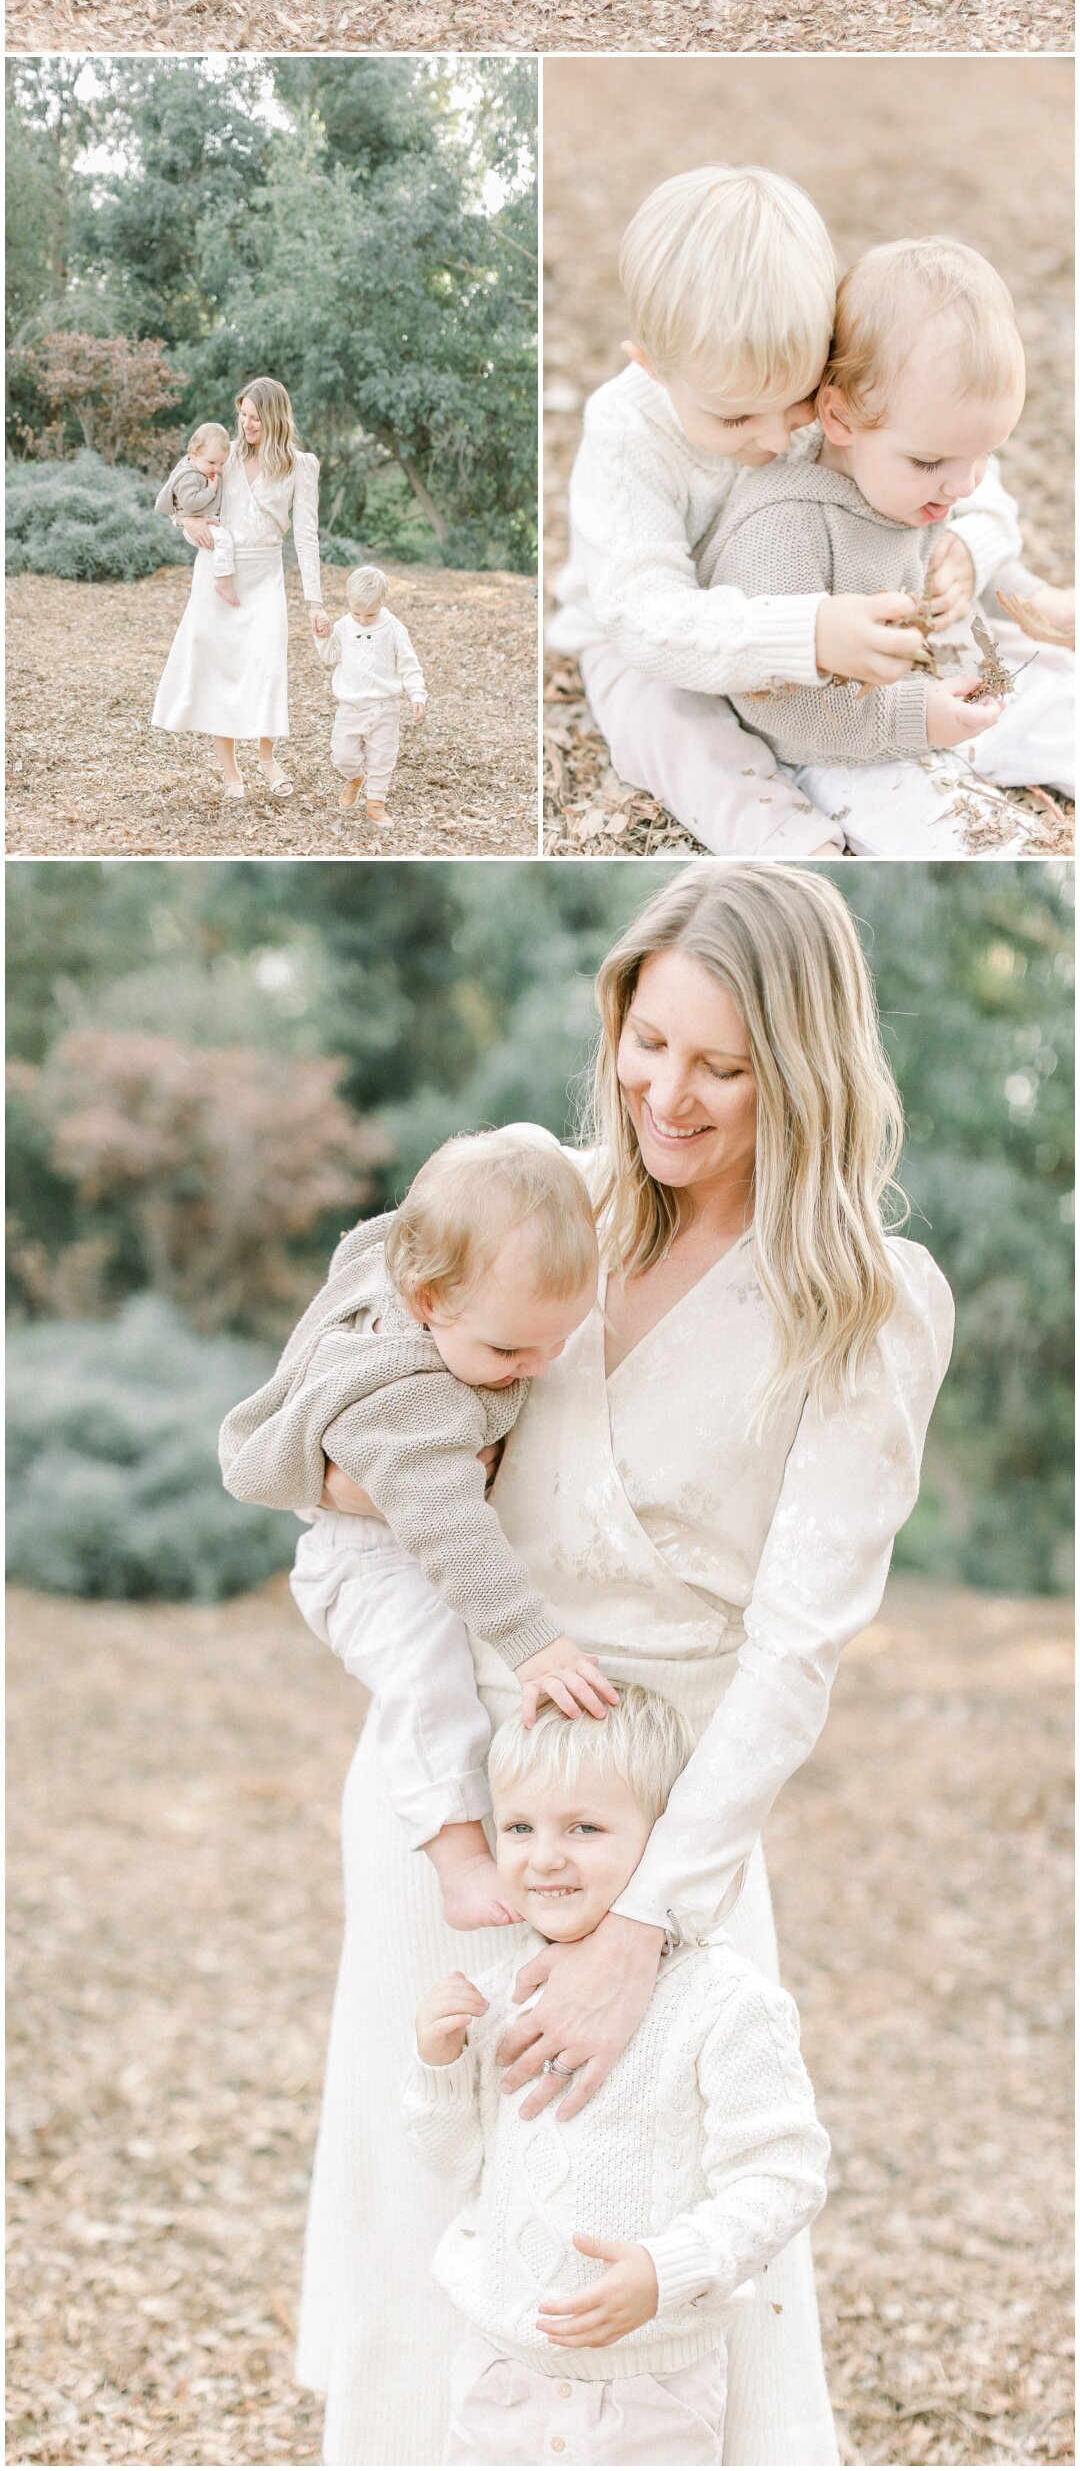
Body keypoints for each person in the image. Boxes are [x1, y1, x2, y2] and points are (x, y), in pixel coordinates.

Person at [296, 863, 954, 2468]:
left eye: (722, 1066)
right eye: (648, 1042)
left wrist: (642, 1926)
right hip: (454, 1799)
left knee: (649, 2224)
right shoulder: (531, 1202)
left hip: (673, 1835)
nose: (668, 1092)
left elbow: (800, 1654)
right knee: (433, 2183)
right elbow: (339, 1397)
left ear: (803, 1070)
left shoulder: (869, 1304)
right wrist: (332, 1469)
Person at [406, 1688, 829, 2468]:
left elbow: (784, 2174)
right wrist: (439, 2069)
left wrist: (670, 2268)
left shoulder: (725, 2003)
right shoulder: (503, 1994)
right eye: (521, 1825)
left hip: (651, 2384)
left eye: (585, 1827)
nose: (544, 1855)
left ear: (666, 1840)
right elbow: (451, 2171)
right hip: (500, 2370)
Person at [551, 162, 1022, 858]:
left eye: (799, 400)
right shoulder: (628, 435)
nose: (776, 438)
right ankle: (775, 832)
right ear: (652, 365)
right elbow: (643, 615)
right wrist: (806, 635)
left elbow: (955, 455)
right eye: (736, 415)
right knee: (668, 725)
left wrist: (973, 544)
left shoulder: (811, 376)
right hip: (655, 639)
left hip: (806, 588)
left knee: (971, 649)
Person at [219, 1127, 616, 1934]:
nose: (535, 1364)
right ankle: (457, 1855)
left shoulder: (428, 1268)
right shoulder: (404, 1391)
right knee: (427, 1673)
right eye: (509, 1346)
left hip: (392, 1540)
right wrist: (532, 1640)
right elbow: (449, 1526)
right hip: (369, 1563)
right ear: (427, 1299)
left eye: (556, 1341)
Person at [708, 236, 1075, 853]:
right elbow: (771, 700)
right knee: (953, 833)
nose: (962, 486)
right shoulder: (785, 526)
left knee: (1066, 703)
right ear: (840, 418)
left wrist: (1038, 600)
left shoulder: (912, 479)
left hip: (958, 684)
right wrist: (917, 718)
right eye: (932, 460)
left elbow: (961, 564)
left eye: (984, 455)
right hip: (845, 746)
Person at [150, 376, 324, 805]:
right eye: (243, 415)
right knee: (217, 669)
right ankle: (231, 774)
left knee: (266, 665)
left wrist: (315, 601)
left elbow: (306, 537)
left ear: (276, 418)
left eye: (255, 418)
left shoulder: (300, 465)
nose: (246, 425)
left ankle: (266, 759)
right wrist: (185, 523)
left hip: (265, 574)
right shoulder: (221, 457)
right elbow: (180, 500)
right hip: (216, 571)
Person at [313, 563, 428, 825]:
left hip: (385, 707)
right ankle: (354, 778)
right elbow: (330, 656)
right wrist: (322, 637)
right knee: (342, 755)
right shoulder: (343, 626)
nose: (363, 621)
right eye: (357, 614)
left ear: (382, 603)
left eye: (370, 615)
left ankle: (376, 802)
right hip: (350, 706)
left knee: (382, 757)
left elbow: (409, 664)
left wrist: (417, 694)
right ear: (348, 603)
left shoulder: (393, 628)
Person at [154, 422, 239, 604]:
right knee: (224, 541)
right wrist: (210, 490)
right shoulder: (190, 476)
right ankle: (223, 582)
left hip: (205, 519)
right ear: (194, 454)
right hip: (194, 523)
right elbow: (190, 504)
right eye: (211, 462)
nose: (216, 469)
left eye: (221, 463)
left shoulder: (200, 466)